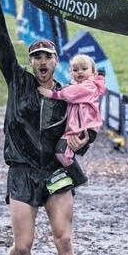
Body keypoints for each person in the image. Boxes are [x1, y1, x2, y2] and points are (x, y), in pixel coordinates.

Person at [0, 0, 91, 255]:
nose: (42, 61)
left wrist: (83, 143)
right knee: (24, 247)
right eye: (37, 57)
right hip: (22, 172)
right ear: (31, 62)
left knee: (65, 239)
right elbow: (1, 40)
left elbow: (85, 129)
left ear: (57, 62)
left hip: (56, 173)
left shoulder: (69, 95)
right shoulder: (18, 81)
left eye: (48, 57)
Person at [37, 54, 105, 187]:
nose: (79, 72)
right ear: (71, 72)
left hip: (86, 128)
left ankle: (79, 178)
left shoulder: (89, 86)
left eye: (84, 69)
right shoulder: (74, 85)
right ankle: (70, 173)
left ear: (93, 72)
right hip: (75, 129)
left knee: (62, 151)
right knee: (60, 151)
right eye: (75, 70)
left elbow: (73, 93)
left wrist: (53, 94)